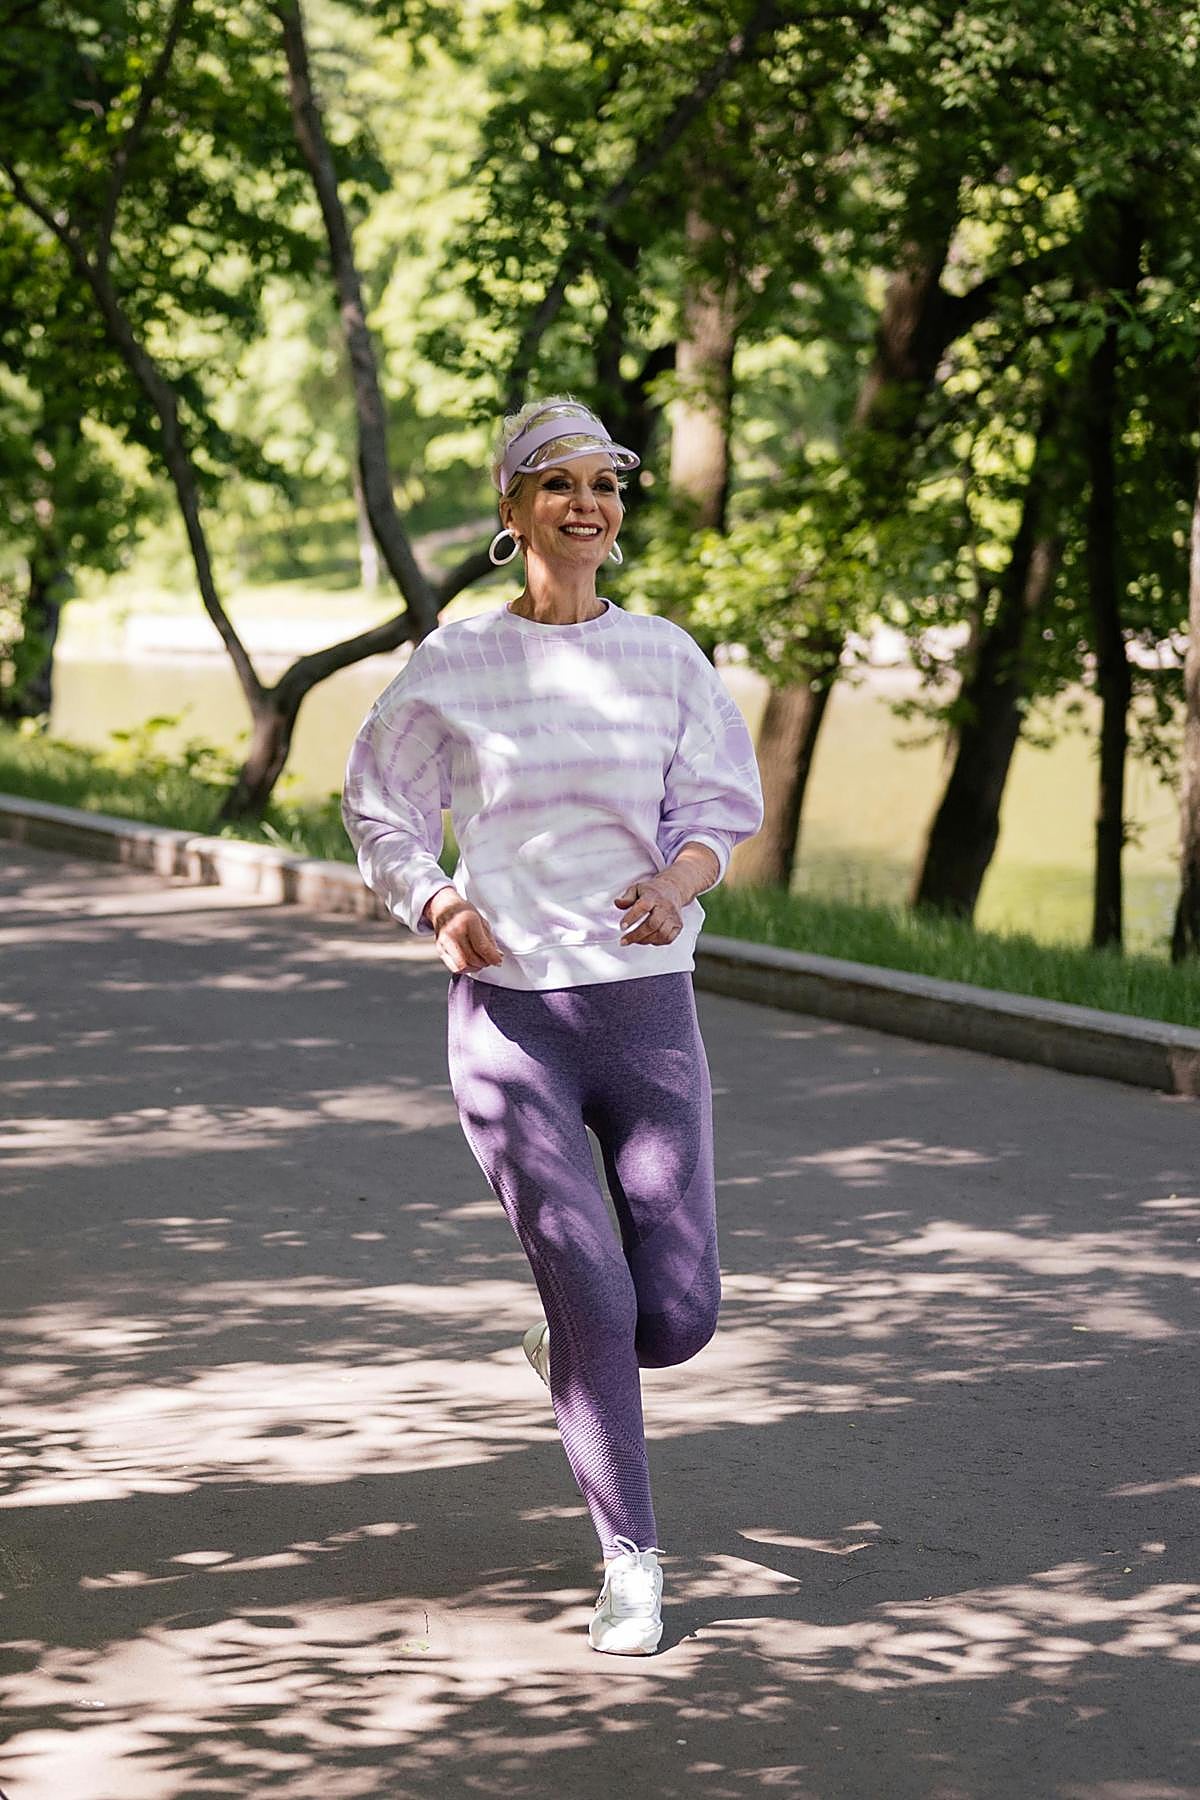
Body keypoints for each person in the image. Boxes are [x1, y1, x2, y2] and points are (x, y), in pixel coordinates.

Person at [342, 395, 764, 1655]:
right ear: (514, 510)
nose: (588, 503)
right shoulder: (455, 664)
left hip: (646, 1016)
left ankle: (576, 1342)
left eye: (606, 485)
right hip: (512, 1033)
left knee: (673, 1316)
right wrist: (435, 900)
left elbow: (719, 806)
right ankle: (630, 1561)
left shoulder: (667, 656)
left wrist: (677, 881)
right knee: (593, 1284)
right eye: (559, 484)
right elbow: (379, 806)